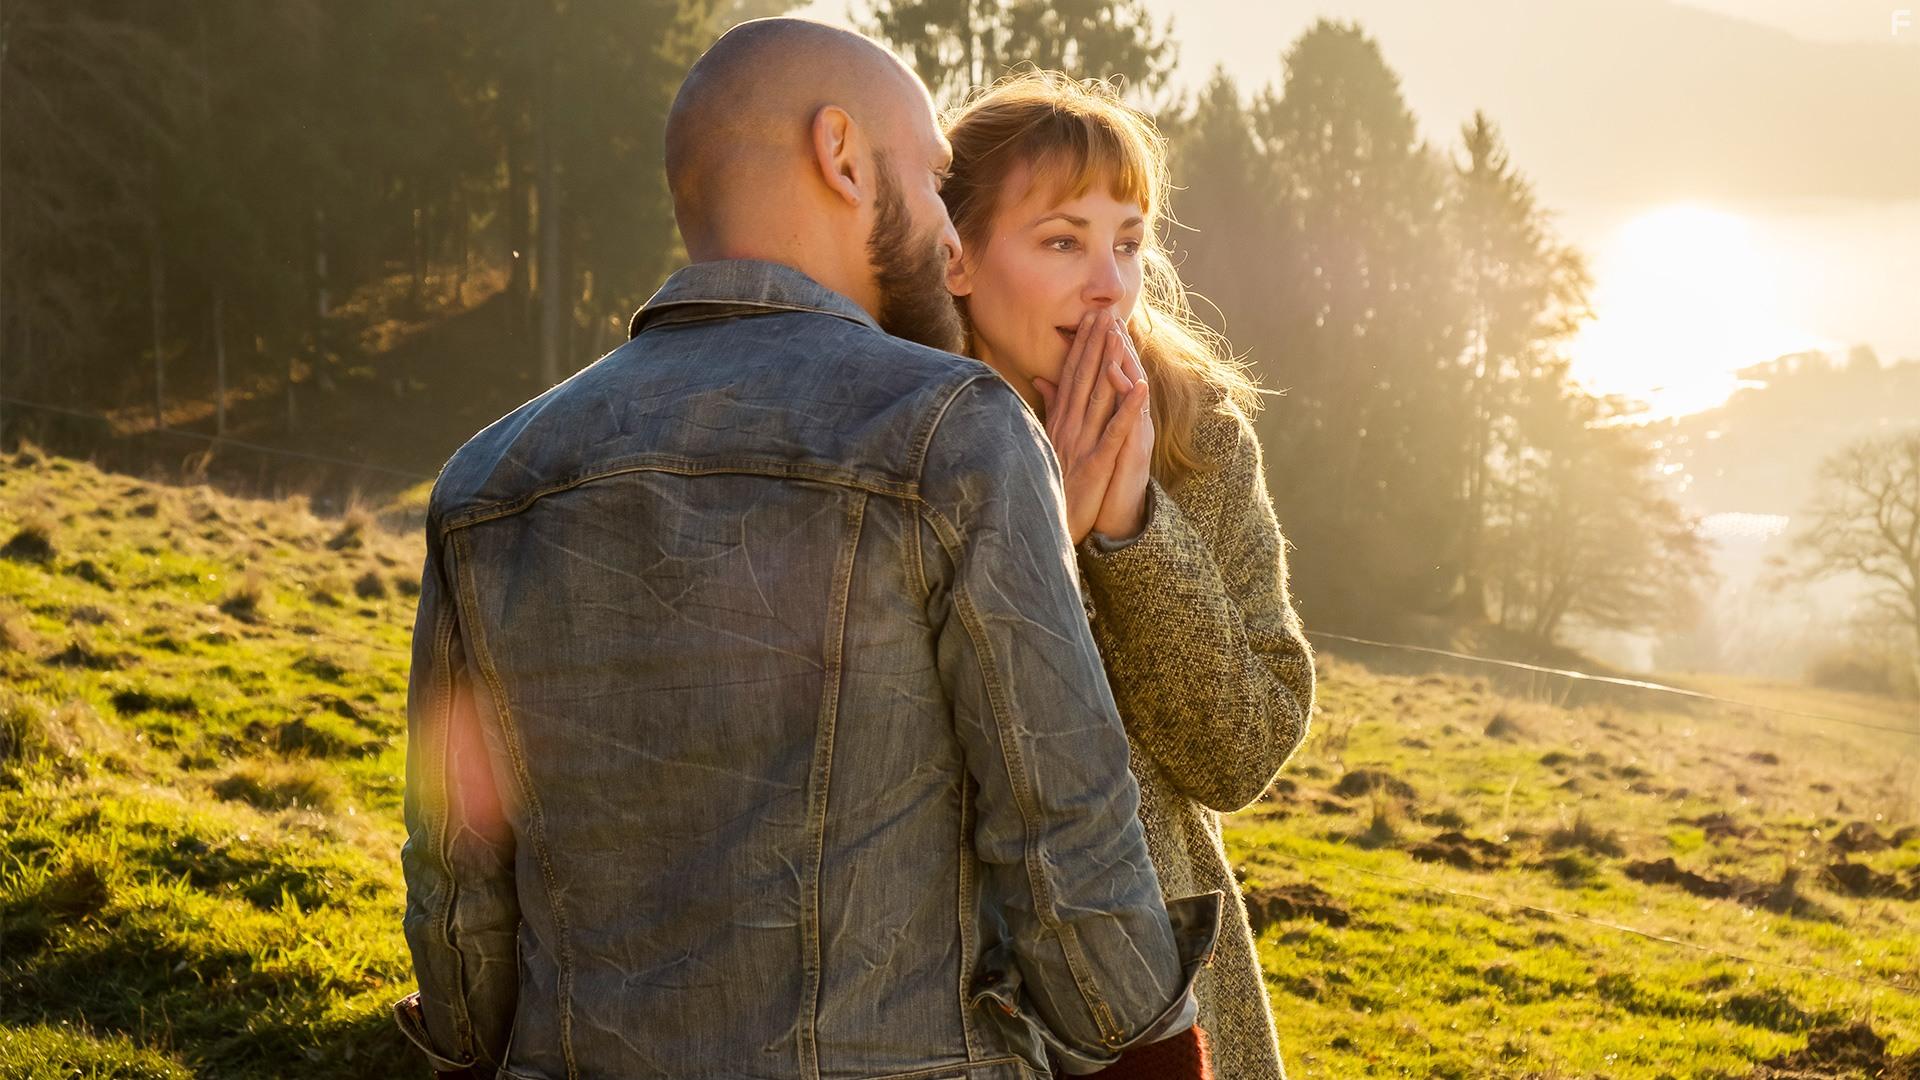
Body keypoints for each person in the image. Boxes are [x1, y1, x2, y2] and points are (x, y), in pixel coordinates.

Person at [393, 20, 1218, 1080]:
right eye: (930, 183)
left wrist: (466, 1048)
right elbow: (1068, 842)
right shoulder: (952, 429)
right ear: (840, 154)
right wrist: (1152, 1056)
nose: (953, 247)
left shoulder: (487, 480)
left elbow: (457, 889)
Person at [941, 71, 1318, 1080]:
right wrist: (1042, 545)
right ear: (959, 257)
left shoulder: (1201, 440)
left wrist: (1137, 532)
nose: (1108, 282)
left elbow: (1240, 756)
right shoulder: (892, 444)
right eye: (1063, 240)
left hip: (1167, 994)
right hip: (941, 993)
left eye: (1129, 239)